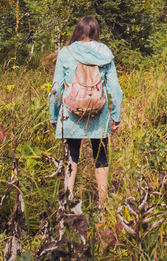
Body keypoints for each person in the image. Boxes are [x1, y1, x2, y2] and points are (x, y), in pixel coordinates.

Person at [48, 16, 123, 204]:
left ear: (77, 31)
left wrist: (53, 114)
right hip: (99, 113)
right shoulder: (105, 53)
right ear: (96, 31)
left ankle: (67, 202)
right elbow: (114, 88)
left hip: (71, 115)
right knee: (101, 155)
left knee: (72, 156)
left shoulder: (66, 53)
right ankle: (103, 204)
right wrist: (116, 115)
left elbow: (56, 88)